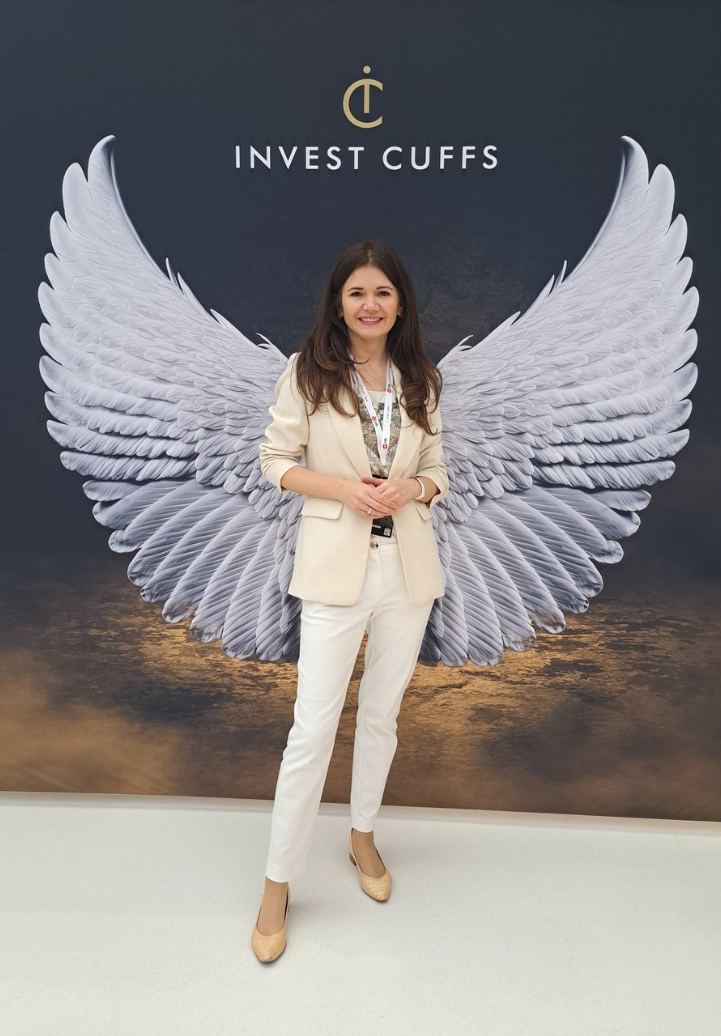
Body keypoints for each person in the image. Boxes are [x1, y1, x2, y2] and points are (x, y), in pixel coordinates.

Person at [251, 240, 449, 962]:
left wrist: (413, 488)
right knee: (311, 730)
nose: (370, 305)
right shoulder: (307, 373)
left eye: (383, 293)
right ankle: (277, 884)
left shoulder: (420, 378)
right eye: (357, 292)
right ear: (338, 303)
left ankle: (362, 835)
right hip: (335, 571)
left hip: (408, 573)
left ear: (400, 305)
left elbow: (437, 469)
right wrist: (343, 489)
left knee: (381, 716)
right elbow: (274, 462)